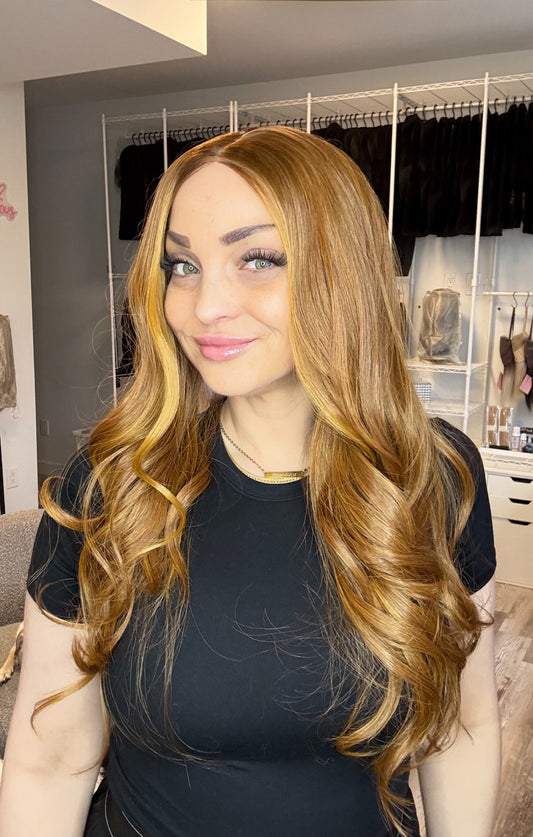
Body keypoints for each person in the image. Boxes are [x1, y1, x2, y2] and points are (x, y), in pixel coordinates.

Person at [0, 126, 500, 837]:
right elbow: (49, 760)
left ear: (340, 271)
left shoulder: (434, 477)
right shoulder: (117, 483)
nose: (203, 307)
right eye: (182, 265)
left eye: (257, 259)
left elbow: (462, 724)